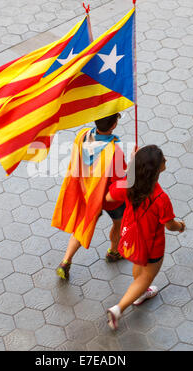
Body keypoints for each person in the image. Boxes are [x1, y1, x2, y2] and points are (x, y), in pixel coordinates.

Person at [105, 145, 186, 330]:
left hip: (131, 240)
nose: (165, 160)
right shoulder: (161, 198)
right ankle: (118, 309)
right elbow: (170, 224)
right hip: (152, 246)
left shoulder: (129, 185)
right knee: (146, 277)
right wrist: (180, 226)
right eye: (162, 160)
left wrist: (128, 173)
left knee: (139, 268)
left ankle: (140, 294)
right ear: (157, 170)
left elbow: (109, 197)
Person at [52, 113, 127, 280]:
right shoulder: (115, 151)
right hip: (108, 199)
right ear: (114, 125)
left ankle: (66, 262)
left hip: (86, 192)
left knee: (82, 226)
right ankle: (114, 252)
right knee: (118, 223)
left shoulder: (83, 134)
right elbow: (120, 183)